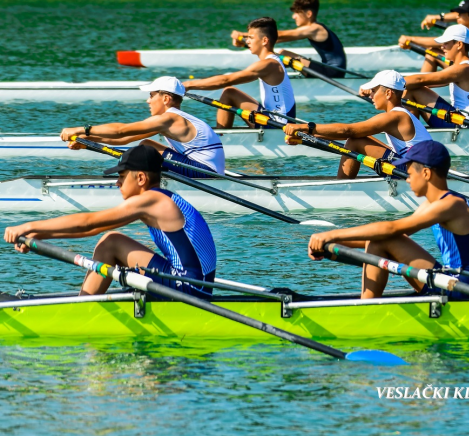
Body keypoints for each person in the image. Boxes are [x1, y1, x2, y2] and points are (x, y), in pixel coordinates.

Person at [4, 146, 216, 299]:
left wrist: (28, 226)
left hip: (189, 288)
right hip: (195, 285)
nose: (117, 182)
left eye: (122, 176)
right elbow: (91, 228)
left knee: (111, 243)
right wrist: (38, 235)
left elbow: (87, 222)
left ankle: (82, 310)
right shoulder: (162, 198)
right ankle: (89, 302)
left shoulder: (151, 201)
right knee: (110, 240)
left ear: (141, 178)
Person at [306, 140, 469, 299]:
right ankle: (368, 306)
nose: (407, 180)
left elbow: (391, 229)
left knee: (383, 237)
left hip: (467, 287)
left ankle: (366, 311)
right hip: (450, 279)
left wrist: (331, 234)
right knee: (379, 239)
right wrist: (332, 245)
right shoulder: (434, 204)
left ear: (426, 173)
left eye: (410, 174)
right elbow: (385, 237)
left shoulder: (451, 205)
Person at [59, 76, 225, 176]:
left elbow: (121, 130)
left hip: (206, 173)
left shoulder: (169, 119)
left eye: (151, 95)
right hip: (203, 168)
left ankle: (136, 185)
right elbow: (125, 139)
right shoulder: (169, 120)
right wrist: (87, 141)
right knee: (145, 145)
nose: (148, 101)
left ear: (166, 99)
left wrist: (82, 129)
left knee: (147, 147)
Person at [282, 70, 432, 179]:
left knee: (355, 140)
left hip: (418, 173)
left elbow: (348, 131)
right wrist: (305, 137)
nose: (371, 95)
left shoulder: (395, 116)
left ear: (388, 93)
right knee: (358, 138)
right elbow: (347, 134)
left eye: (373, 91)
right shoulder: (401, 113)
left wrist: (306, 127)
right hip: (420, 168)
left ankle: (342, 189)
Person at [187, 17, 296, 128]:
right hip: (274, 119)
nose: (247, 41)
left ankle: (221, 136)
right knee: (229, 92)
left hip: (278, 126)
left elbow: (226, 80)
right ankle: (222, 134)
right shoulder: (274, 59)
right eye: (247, 38)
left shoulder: (268, 65)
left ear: (264, 41)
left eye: (251, 38)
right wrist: (243, 42)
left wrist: (189, 85)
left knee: (229, 92)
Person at [232, 0, 348, 79]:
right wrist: (247, 42)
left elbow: (278, 36)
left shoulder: (315, 29)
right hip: (329, 69)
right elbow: (273, 40)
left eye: (297, 12)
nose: (294, 16)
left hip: (333, 73)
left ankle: (263, 74)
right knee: (281, 53)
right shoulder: (314, 28)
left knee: (282, 54)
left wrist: (244, 35)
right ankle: (268, 73)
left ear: (308, 14)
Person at [399, 24, 469, 128]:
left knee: (412, 90)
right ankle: (413, 130)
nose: (442, 47)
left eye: (446, 43)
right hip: (464, 120)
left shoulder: (464, 69)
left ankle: (412, 133)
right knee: (411, 86)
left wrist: (388, 85)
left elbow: (420, 79)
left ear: (459, 44)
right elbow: (422, 82)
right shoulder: (466, 66)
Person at [415, 0, 469, 76]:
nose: (457, 17)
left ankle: (423, 83)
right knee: (434, 51)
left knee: (432, 53)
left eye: (460, 14)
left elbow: (439, 42)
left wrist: (411, 39)